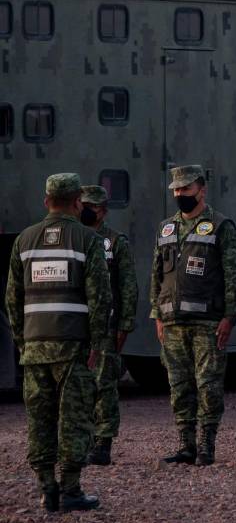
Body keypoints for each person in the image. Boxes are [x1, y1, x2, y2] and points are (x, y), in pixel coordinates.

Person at [6, 173, 111, 511]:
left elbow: (12, 299)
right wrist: (97, 342)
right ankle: (70, 488)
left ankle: (46, 488)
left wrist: (23, 341)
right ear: (78, 202)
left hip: (36, 347)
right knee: (74, 418)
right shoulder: (87, 239)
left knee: (40, 419)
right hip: (73, 347)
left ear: (46, 200)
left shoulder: (25, 240)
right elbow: (99, 297)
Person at [151, 165, 236, 467]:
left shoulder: (219, 225)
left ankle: (207, 444)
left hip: (208, 322)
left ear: (201, 190)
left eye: (186, 189)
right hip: (172, 322)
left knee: (208, 384)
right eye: (176, 190)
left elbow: (232, 274)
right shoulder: (167, 228)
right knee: (179, 385)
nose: (180, 195)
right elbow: (156, 276)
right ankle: (186, 444)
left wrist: (230, 315)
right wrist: (157, 315)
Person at [79, 185, 137, 467]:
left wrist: (125, 324)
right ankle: (82, 440)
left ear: (102, 211)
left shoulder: (115, 242)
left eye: (91, 206)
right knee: (79, 386)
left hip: (106, 327)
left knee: (104, 386)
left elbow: (127, 285)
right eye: (82, 205)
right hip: (76, 325)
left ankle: (103, 443)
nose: (86, 211)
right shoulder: (72, 238)